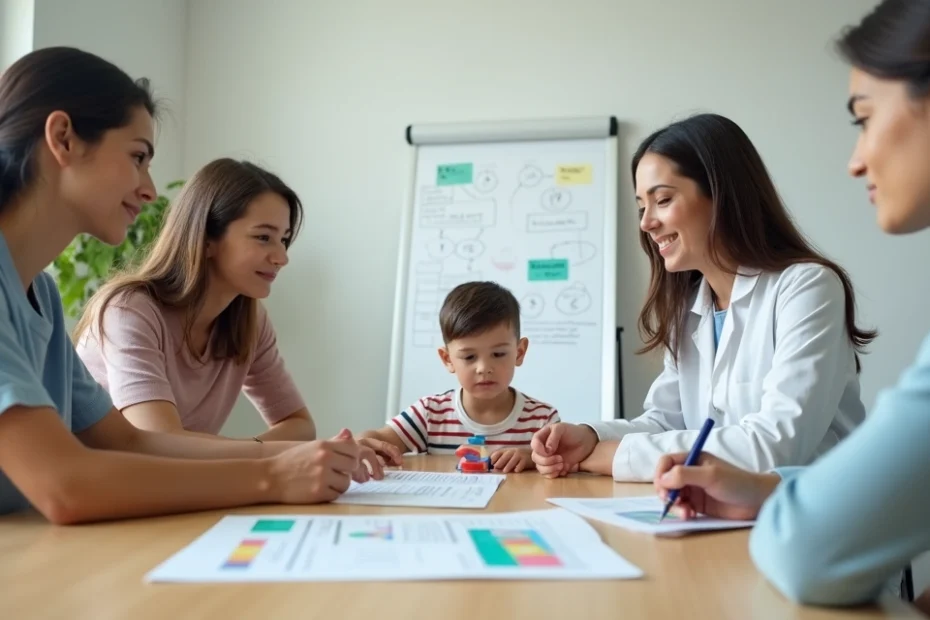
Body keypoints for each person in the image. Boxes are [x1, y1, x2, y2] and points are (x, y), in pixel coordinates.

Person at [0, 46, 394, 525]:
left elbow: (130, 441)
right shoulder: (123, 308)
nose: (149, 189)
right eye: (138, 156)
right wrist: (272, 475)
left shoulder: (38, 292)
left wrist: (315, 454)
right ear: (63, 138)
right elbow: (66, 484)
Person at [652, 0, 930, 608]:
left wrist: (607, 451)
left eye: (863, 118)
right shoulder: (692, 305)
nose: (855, 160)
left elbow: (806, 546)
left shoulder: (804, 286)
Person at [531, 113, 875, 482]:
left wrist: (614, 456)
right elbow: (665, 421)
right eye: (641, 206)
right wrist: (592, 436)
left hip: (815, 520)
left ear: (721, 194)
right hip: (721, 516)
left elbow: (774, 446)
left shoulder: (807, 288)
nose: (646, 223)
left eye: (662, 200)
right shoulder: (689, 307)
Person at [74, 158, 317, 442]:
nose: (281, 258)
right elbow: (162, 442)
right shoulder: (129, 311)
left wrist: (252, 455)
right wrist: (262, 457)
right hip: (102, 483)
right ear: (206, 238)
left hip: (171, 485)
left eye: (284, 240)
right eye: (263, 237)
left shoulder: (249, 319)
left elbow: (300, 427)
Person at [361, 281, 560, 473]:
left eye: (498, 354)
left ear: (519, 352)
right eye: (469, 357)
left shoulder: (542, 420)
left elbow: (564, 461)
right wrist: (361, 444)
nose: (483, 368)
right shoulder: (430, 414)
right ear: (447, 359)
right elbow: (378, 439)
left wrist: (532, 458)